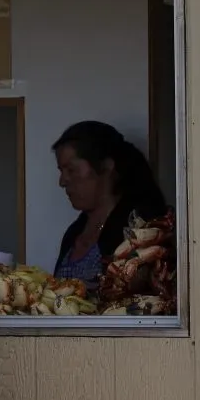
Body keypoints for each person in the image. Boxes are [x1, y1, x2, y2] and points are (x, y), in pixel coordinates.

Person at [52, 121, 168, 290]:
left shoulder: (142, 231)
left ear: (107, 165)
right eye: (61, 171)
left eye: (71, 170)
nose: (62, 181)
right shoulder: (73, 234)